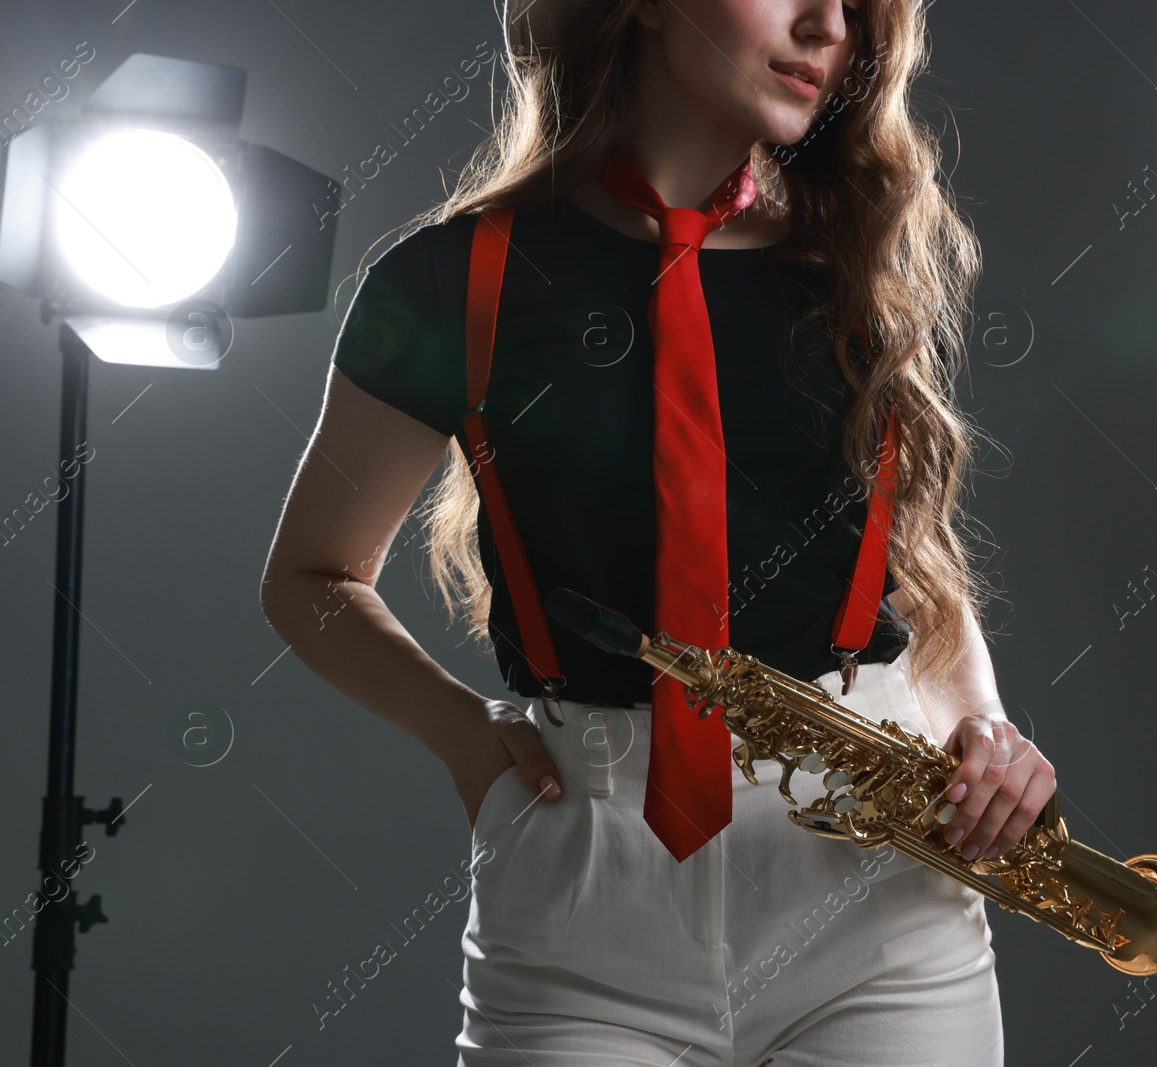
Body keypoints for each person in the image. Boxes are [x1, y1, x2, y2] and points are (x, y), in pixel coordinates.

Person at [260, 0, 1057, 1063]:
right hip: (583, 903)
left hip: (873, 900)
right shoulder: (452, 279)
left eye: (855, 5)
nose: (829, 26)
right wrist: (465, 741)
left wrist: (985, 725)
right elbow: (310, 576)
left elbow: (921, 584)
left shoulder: (856, 270)